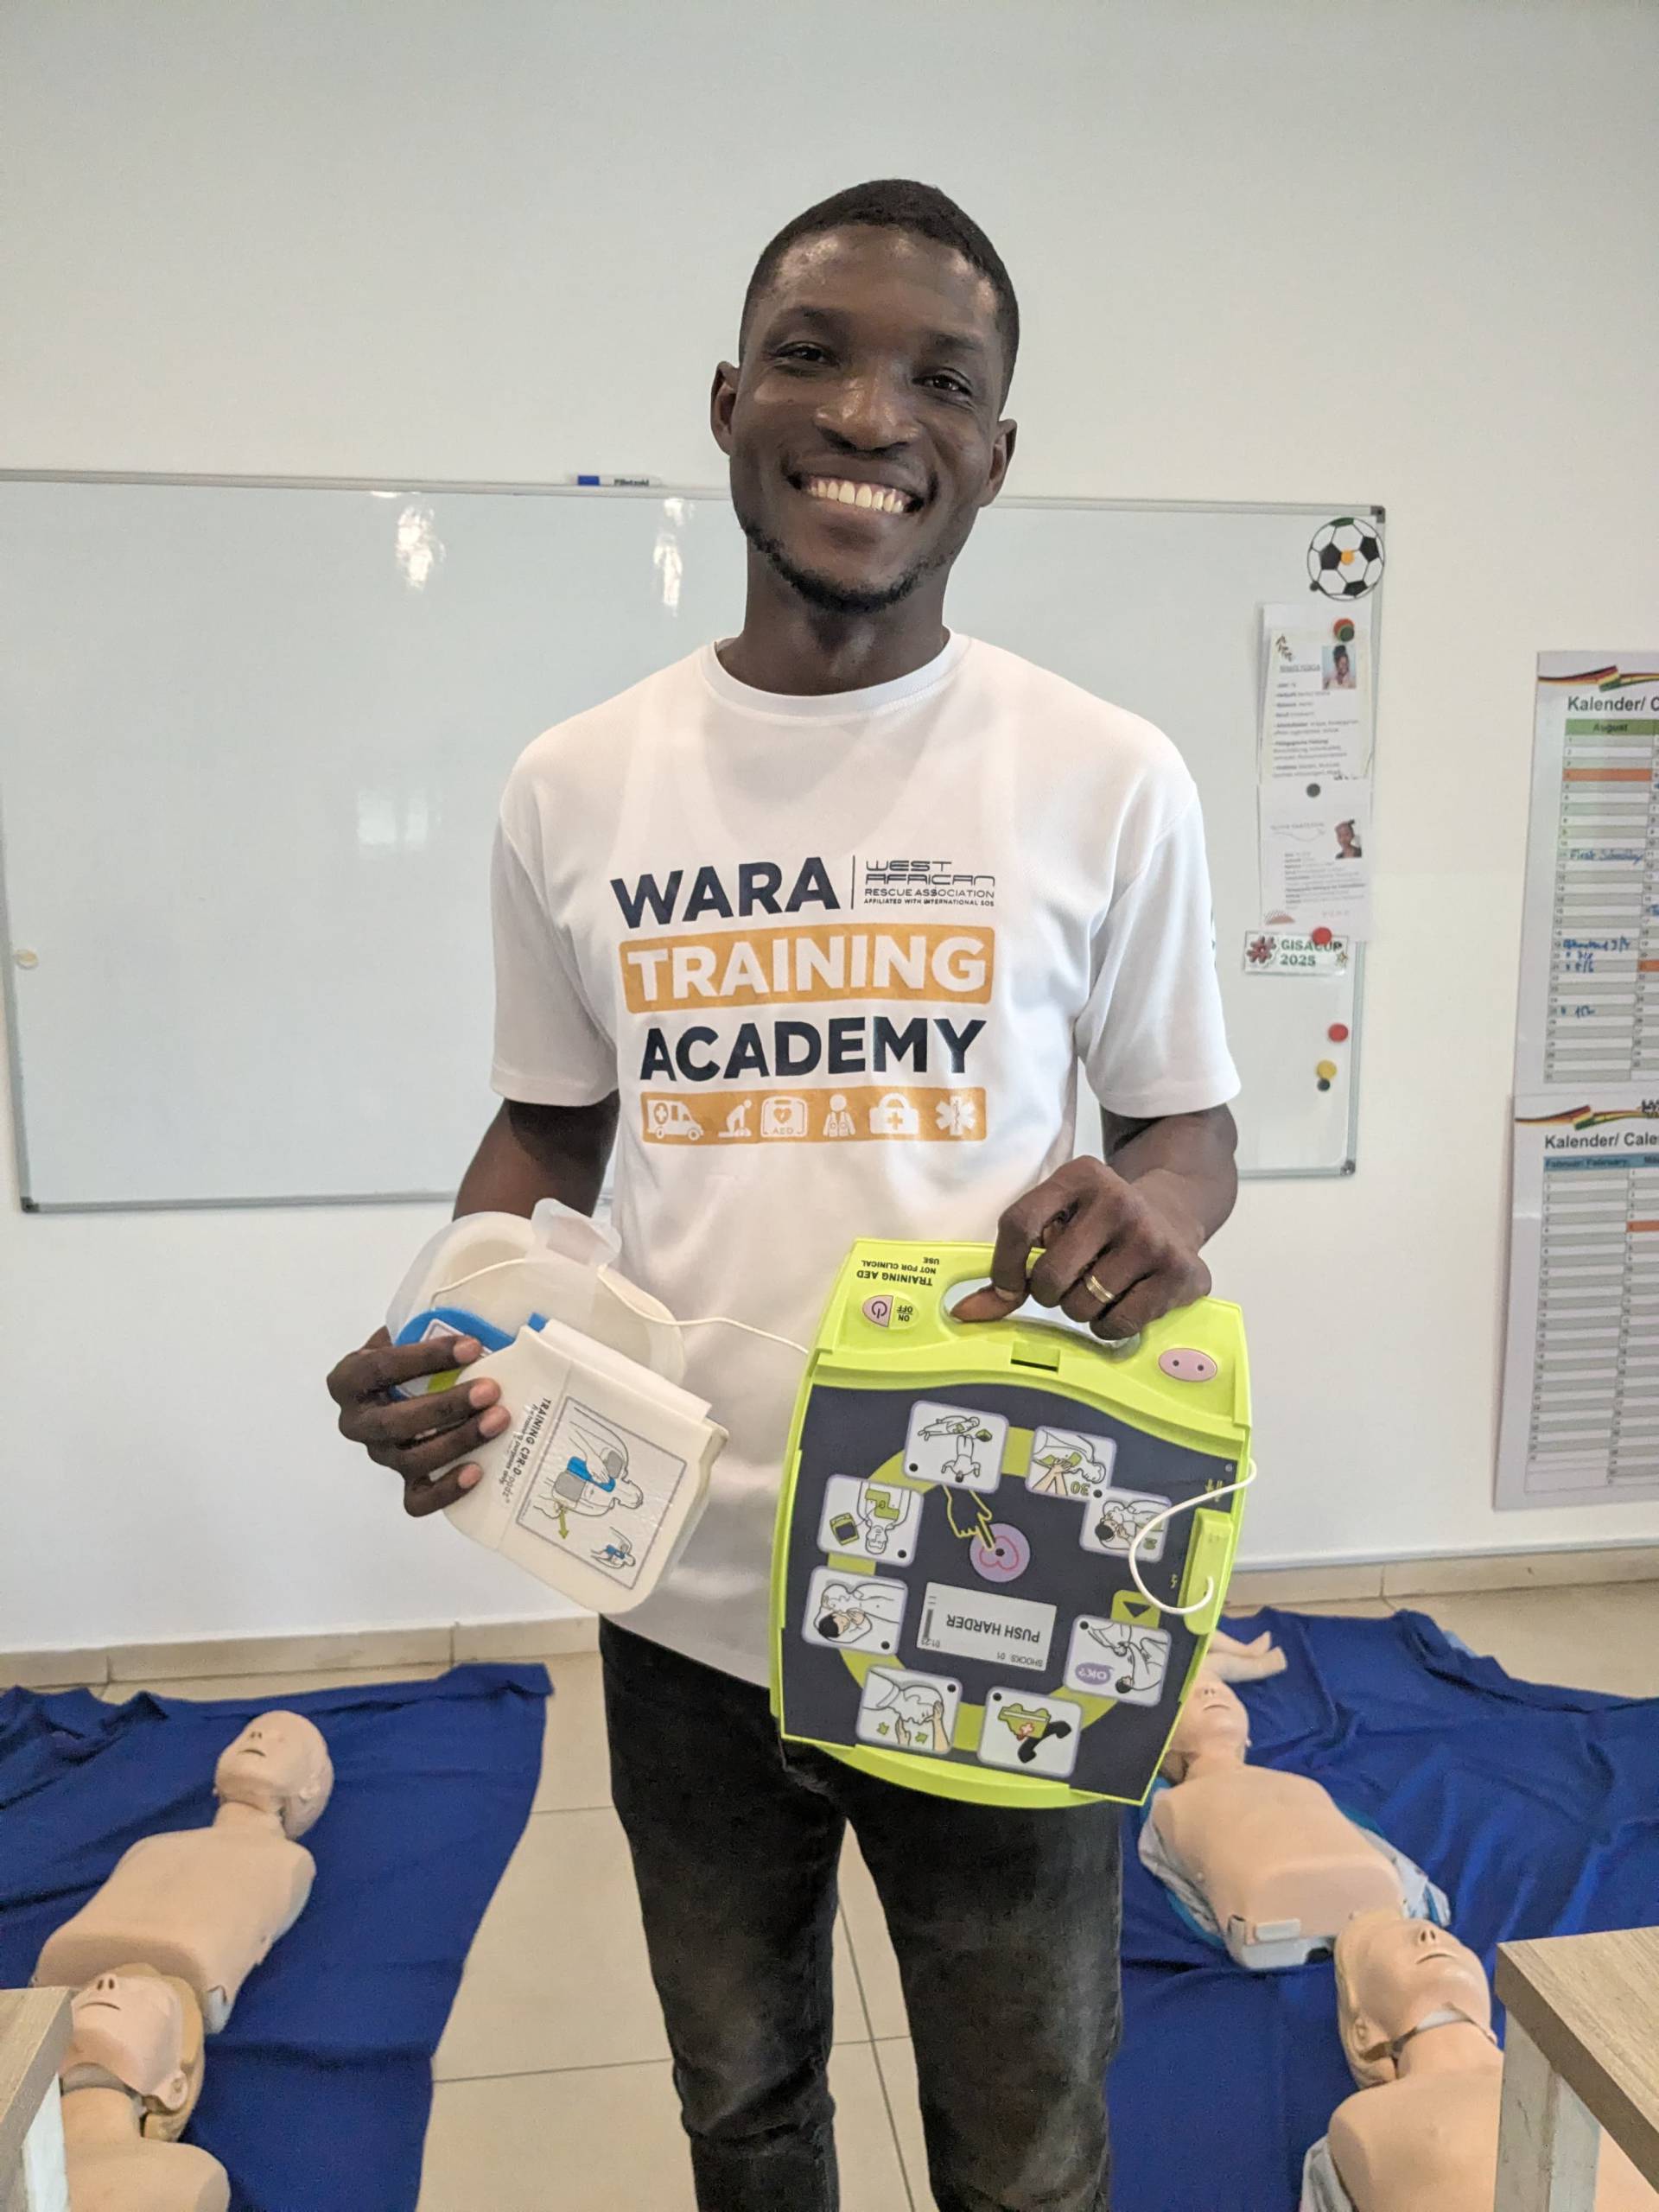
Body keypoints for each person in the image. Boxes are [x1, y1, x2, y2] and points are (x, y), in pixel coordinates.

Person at [327, 178, 1240, 2212]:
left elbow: (1187, 1125)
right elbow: (552, 1129)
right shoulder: (578, 780)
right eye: (815, 357)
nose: (873, 414)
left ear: (998, 448)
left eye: (943, 381)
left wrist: (1162, 1208)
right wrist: (438, 1327)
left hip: (1000, 1559)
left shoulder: (1106, 772)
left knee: (1026, 2147)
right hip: (673, 1565)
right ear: (731, 400)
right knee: (742, 2109)